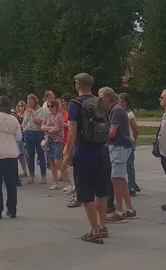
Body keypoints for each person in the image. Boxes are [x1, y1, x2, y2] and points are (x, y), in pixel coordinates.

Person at [64, 73, 108, 244]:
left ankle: (94, 231)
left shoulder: (75, 104)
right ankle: (103, 226)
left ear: (78, 84)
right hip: (101, 152)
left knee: (85, 193)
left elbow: (72, 131)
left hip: (83, 153)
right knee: (101, 191)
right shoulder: (99, 101)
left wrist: (68, 152)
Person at [99, 87, 136, 222]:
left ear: (107, 98)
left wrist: (100, 139)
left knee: (116, 179)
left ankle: (119, 212)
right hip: (120, 147)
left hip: (119, 147)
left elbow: (112, 132)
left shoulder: (116, 110)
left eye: (100, 98)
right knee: (121, 180)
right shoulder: (116, 110)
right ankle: (129, 209)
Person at [22, 93, 48, 184]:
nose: (29, 102)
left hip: (37, 133)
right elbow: (24, 122)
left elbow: (40, 122)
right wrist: (24, 129)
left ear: (35, 101)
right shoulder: (26, 111)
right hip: (28, 133)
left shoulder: (41, 110)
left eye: (31, 100)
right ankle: (31, 175)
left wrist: (33, 115)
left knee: (40, 155)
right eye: (27, 100)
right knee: (30, 155)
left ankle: (43, 175)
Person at [118, 92, 140, 195]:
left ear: (127, 102)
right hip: (121, 142)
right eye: (119, 101)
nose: (120, 103)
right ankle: (127, 184)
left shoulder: (129, 115)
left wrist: (134, 141)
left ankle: (132, 186)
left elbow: (135, 130)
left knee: (129, 165)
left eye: (122, 102)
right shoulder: (119, 113)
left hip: (129, 141)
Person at [42, 98, 65, 190]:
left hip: (57, 141)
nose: (50, 108)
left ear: (56, 107)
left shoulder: (59, 116)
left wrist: (48, 128)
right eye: (48, 106)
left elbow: (57, 128)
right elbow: (42, 127)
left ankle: (69, 182)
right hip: (49, 141)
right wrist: (50, 128)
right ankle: (55, 182)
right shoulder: (47, 116)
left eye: (51, 106)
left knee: (58, 162)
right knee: (51, 162)